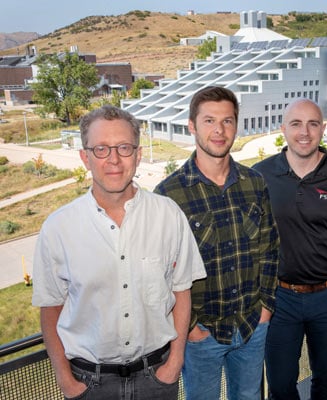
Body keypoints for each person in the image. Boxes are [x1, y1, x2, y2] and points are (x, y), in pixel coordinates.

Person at [31, 105, 206, 400]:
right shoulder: (59, 228)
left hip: (157, 379)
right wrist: (65, 380)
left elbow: (181, 290)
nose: (113, 159)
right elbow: (50, 307)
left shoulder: (168, 215)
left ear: (137, 155)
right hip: (89, 385)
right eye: (101, 149)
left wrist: (175, 362)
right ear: (85, 157)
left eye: (123, 148)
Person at [154, 86, 280, 400]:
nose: (219, 130)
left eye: (227, 121)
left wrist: (265, 309)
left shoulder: (254, 183)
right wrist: (191, 329)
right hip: (201, 335)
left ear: (236, 126)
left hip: (252, 326)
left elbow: (270, 248)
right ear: (192, 126)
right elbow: (159, 273)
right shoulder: (169, 194)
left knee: (249, 397)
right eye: (209, 121)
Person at [253, 98, 327, 399]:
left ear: (323, 128)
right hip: (279, 300)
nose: (304, 132)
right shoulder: (259, 176)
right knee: (280, 386)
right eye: (296, 123)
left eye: (313, 123)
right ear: (283, 129)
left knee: (325, 379)